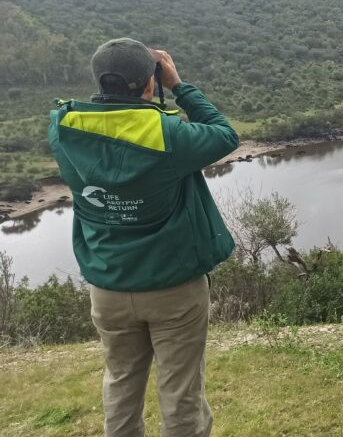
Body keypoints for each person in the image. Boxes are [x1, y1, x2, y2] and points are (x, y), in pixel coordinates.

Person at [48, 38, 239, 437]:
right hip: (174, 286)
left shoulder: (64, 129)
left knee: (120, 384)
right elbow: (224, 134)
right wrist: (179, 86)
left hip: (109, 286)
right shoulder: (166, 134)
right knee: (181, 394)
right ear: (151, 82)